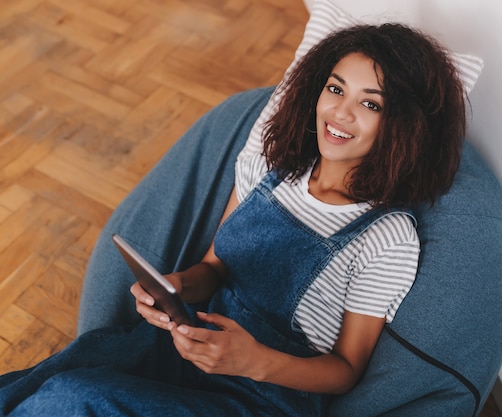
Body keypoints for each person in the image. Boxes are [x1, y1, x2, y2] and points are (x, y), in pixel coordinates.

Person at [0, 23, 466, 417]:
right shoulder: (274, 165)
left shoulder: (386, 236)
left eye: (371, 103)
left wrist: (254, 361)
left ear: (405, 126)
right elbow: (215, 268)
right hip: (188, 344)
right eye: (336, 88)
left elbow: (346, 370)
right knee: (47, 378)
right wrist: (175, 289)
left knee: (73, 399)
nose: (340, 112)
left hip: (256, 396)